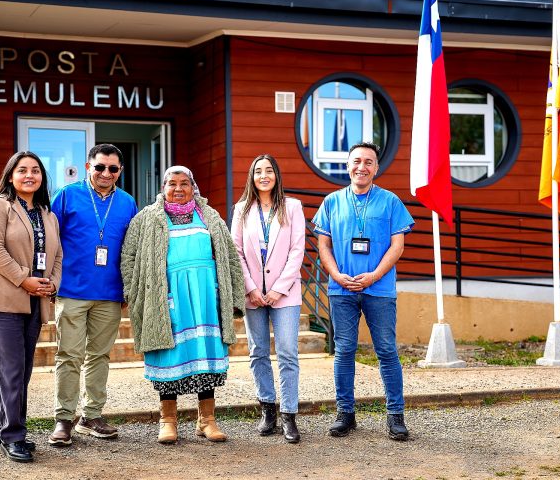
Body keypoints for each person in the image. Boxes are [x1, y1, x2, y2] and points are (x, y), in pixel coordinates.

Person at [121, 166, 245, 444]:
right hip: (165, 297)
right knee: (169, 354)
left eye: (184, 183)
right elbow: (128, 256)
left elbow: (230, 257)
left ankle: (207, 420)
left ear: (193, 186)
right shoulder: (147, 218)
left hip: (204, 297)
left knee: (206, 355)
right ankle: (168, 421)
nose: (178, 189)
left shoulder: (209, 216)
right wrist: (135, 294)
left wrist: (233, 296)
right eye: (172, 183)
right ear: (163, 188)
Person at [312, 142, 414, 441]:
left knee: (386, 350)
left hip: (379, 289)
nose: (362, 167)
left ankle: (395, 415)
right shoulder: (331, 202)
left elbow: (398, 245)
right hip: (341, 289)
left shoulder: (391, 201)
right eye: (357, 161)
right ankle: (346, 414)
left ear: (376, 168)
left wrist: (374, 276)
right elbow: (323, 246)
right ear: (347, 165)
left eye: (368, 162)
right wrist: (337, 275)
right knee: (344, 350)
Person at [48, 144, 138, 446]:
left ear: (120, 171)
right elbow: (50, 240)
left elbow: (131, 249)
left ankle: (92, 415)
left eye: (113, 169)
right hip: (72, 289)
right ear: (89, 167)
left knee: (99, 355)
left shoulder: (127, 202)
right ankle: (64, 419)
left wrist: (129, 287)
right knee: (69, 355)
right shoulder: (67, 195)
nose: (105, 173)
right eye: (99, 167)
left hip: (110, 293)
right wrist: (50, 279)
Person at [0, 151, 63, 463]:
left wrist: (52, 283)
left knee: (20, 371)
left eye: (36, 171)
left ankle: (0, 426)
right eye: (22, 170)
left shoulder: (47, 214)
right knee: (10, 370)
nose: (29, 175)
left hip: (34, 301)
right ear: (11, 175)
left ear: (42, 178)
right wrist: (24, 279)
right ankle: (13, 436)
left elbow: (57, 255)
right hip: (2, 299)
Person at [231, 154, 305, 444]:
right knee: (257, 352)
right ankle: (267, 410)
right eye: (258, 171)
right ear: (252, 176)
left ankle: (289, 415)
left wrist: (278, 289)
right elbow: (235, 251)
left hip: (284, 294)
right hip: (253, 295)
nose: (264, 175)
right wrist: (250, 288)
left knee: (287, 352)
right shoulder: (241, 209)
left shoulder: (293, 207)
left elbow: (297, 251)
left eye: (269, 170)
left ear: (276, 175)